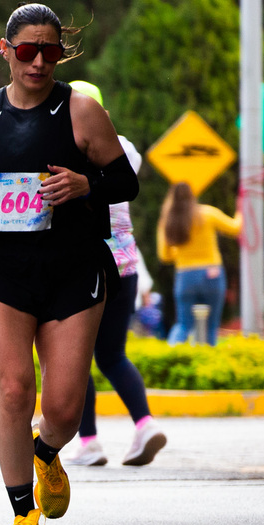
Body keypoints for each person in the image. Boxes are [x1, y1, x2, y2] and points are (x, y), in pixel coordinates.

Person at [0, 3, 137, 525]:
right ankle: (23, 516)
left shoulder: (81, 111)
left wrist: (84, 185)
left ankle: (46, 451)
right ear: (6, 51)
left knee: (65, 408)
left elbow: (124, 182)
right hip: (0, 266)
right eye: (27, 50)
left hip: (72, 265)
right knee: (14, 389)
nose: (39, 61)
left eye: (50, 51)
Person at [63, 82, 166, 468]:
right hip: (126, 265)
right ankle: (144, 424)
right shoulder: (124, 149)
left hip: (86, 267)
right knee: (113, 355)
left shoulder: (69, 150)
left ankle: (88, 441)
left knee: (76, 359)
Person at [157, 181, 241, 344]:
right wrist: (241, 210)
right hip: (212, 273)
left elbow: (164, 256)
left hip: (185, 275)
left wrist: (183, 253)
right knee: (211, 326)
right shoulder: (207, 213)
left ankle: (172, 358)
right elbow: (235, 228)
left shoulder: (167, 220)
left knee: (183, 325)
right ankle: (207, 364)